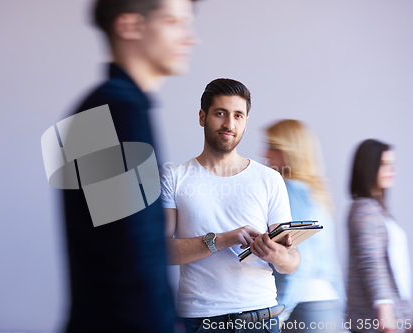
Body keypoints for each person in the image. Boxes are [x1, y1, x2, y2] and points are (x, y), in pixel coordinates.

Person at [61, 1, 198, 332]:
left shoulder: (97, 108)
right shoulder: (117, 111)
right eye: (173, 21)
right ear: (129, 26)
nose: (191, 38)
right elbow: (134, 257)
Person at [160, 78, 300, 333]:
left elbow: (291, 261)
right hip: (199, 322)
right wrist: (223, 239)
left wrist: (277, 255)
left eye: (238, 115)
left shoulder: (269, 178)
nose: (229, 124)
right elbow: (160, 250)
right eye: (220, 113)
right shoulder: (174, 177)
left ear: (246, 122)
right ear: (202, 117)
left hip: (261, 320)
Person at [263, 119, 345, 332]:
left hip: (304, 307)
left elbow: (301, 260)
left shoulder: (289, 192)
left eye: (273, 148)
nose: (265, 154)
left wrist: (278, 314)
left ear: (291, 152)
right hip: (328, 303)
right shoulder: (317, 193)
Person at [347, 139, 412, 333]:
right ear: (368, 167)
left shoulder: (378, 210)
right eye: (384, 164)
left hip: (394, 314)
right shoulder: (364, 209)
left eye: (392, 164)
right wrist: (384, 307)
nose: (392, 169)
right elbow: (371, 261)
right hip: (376, 319)